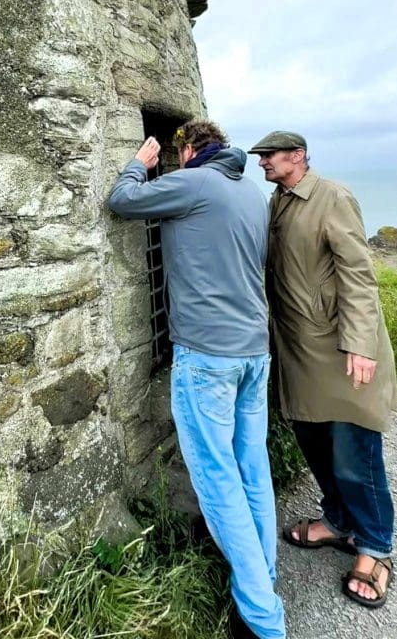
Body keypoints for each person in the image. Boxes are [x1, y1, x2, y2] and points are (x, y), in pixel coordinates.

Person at [109, 119, 285, 639]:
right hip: (254, 351)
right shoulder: (250, 192)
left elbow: (122, 201)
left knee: (217, 479)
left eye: (175, 153)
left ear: (187, 150)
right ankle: (265, 578)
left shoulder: (193, 181)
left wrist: (137, 167)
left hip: (208, 358)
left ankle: (261, 619)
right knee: (252, 469)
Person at [248, 130, 397, 609]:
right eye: (259, 157)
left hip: (338, 349)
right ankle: (337, 522)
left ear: (298, 156)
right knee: (313, 439)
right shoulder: (278, 202)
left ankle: (375, 546)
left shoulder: (332, 197)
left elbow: (357, 273)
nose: (262, 163)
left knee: (354, 447)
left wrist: (359, 344)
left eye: (269, 155)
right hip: (298, 350)